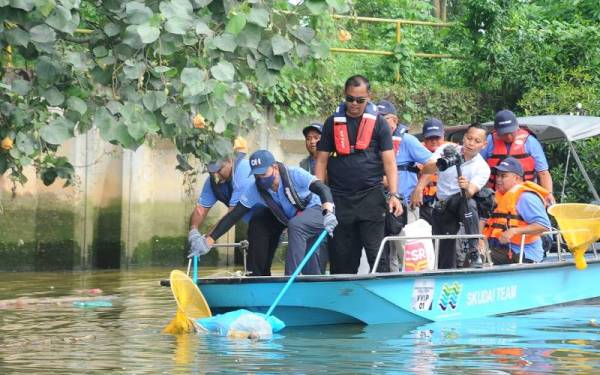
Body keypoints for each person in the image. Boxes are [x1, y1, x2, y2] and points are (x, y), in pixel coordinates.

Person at [189, 150, 338, 276]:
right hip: (296, 220)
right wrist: (208, 241)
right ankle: (259, 278)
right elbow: (234, 215)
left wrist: (328, 212)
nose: (261, 179)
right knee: (261, 223)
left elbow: (323, 189)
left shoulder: (294, 173)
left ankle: (290, 279)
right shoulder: (256, 188)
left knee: (296, 225)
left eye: (263, 173)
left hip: (320, 212)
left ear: (274, 167)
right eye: (257, 175)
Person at [315, 75, 402, 274]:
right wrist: (320, 196)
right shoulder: (332, 123)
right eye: (350, 99)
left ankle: (383, 296)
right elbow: (321, 160)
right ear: (345, 96)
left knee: (376, 255)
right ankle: (343, 299)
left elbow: (389, 162)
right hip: (340, 199)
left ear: (369, 97)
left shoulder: (379, 124)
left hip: (371, 197)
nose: (354, 104)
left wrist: (394, 194)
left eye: (360, 100)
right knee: (342, 259)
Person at [188, 151, 284, 276]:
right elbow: (200, 209)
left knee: (258, 264)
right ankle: (259, 282)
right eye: (211, 171)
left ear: (229, 161)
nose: (215, 175)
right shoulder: (214, 181)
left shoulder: (242, 173)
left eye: (218, 170)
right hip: (257, 224)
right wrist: (193, 231)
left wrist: (207, 241)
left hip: (274, 218)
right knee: (259, 264)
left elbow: (232, 215)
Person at [411, 123, 491, 269]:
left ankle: (474, 251)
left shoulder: (482, 167)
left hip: (461, 202)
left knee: (469, 202)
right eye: (469, 138)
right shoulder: (446, 149)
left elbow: (470, 193)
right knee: (444, 253)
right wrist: (441, 163)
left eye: (477, 141)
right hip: (442, 205)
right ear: (464, 137)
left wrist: (466, 186)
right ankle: (445, 275)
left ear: (484, 145)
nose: (471, 143)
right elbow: (426, 170)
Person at [377, 101, 435, 271]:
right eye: (377, 119)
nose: (379, 123)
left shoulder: (407, 141)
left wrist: (419, 188)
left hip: (406, 204)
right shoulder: (373, 141)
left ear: (394, 120)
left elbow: (433, 164)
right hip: (380, 204)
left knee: (410, 251)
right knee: (385, 251)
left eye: (384, 119)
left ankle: (416, 286)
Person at [483, 157, 552, 264]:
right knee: (475, 253)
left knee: (478, 258)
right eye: (498, 175)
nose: (498, 179)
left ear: (516, 178)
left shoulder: (526, 197)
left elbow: (543, 226)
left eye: (503, 176)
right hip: (505, 249)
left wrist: (513, 231)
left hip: (524, 253)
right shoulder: (498, 197)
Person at [482, 109, 555, 205]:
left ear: (517, 128)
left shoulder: (530, 141)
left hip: (525, 196)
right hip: (495, 196)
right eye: (504, 133)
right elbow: (478, 167)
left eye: (511, 132)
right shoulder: (489, 141)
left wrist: (548, 194)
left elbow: (543, 173)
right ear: (497, 132)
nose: (508, 136)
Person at [419, 118, 452, 225]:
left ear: (443, 135)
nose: (433, 141)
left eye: (437, 137)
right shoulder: (415, 151)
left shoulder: (453, 150)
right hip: (424, 203)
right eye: (430, 138)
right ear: (424, 137)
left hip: (446, 201)